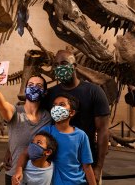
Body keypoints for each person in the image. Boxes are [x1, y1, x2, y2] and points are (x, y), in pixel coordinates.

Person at [45, 49, 110, 184]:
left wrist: (98, 167)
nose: (59, 67)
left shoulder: (94, 91)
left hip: (87, 163)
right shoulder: (50, 94)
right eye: (56, 65)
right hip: (57, 162)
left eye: (64, 63)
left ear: (74, 66)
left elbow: (103, 131)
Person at [14, 93, 96, 185]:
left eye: (61, 105)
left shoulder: (81, 135)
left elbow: (87, 166)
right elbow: (26, 153)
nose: (56, 108)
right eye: (54, 105)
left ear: (72, 112)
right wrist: (18, 170)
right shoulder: (46, 131)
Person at [0, 69, 52, 185]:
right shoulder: (16, 112)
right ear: (25, 89)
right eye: (30, 85)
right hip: (14, 175)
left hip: (40, 177)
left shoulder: (47, 117)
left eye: (39, 86)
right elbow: (3, 105)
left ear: (44, 92)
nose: (34, 87)